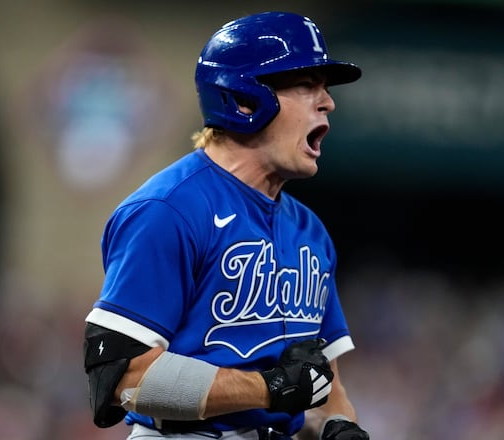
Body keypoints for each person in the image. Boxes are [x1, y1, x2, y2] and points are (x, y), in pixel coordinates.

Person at [83, 11, 370, 440]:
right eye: (307, 85)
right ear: (245, 99)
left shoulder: (311, 232)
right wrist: (267, 388)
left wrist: (337, 425)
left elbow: (323, 385)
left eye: (325, 89)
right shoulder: (169, 209)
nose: (327, 102)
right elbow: (122, 376)